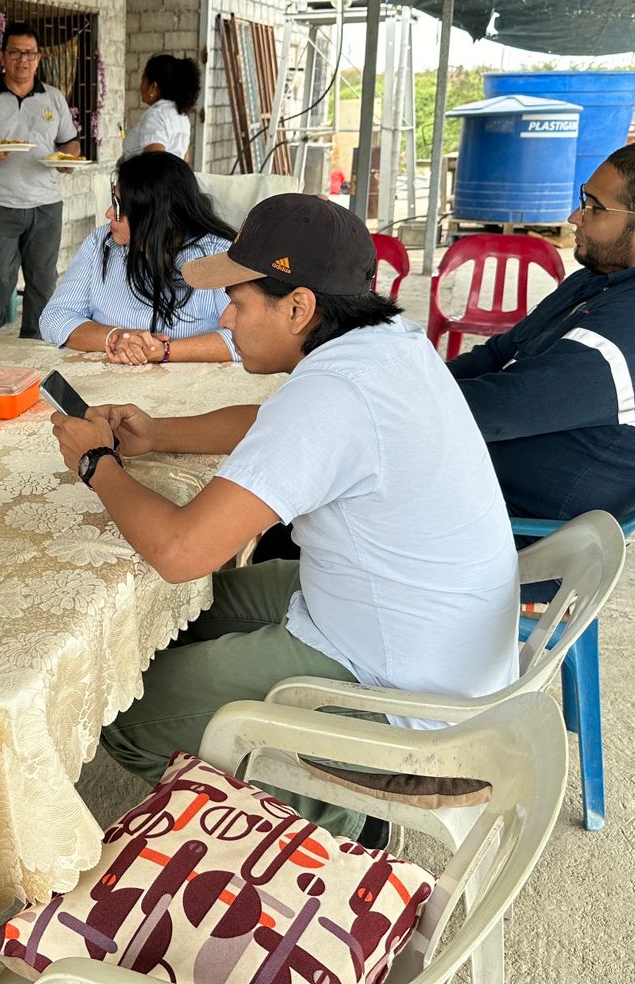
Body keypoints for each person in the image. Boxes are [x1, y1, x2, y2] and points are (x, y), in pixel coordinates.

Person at [50, 194, 518, 842]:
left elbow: (180, 550)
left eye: (238, 302)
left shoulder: (335, 393)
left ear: (298, 307)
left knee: (124, 709)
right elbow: (276, 423)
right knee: (174, 613)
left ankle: (338, 817)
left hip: (400, 696)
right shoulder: (387, 343)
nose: (227, 319)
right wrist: (157, 434)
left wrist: (96, 463)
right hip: (411, 630)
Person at [447, 140, 635, 578]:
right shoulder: (604, 278)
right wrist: (407, 383)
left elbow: (497, 411)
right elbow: (498, 354)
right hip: (481, 489)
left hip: (525, 538)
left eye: (595, 208)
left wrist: (385, 402)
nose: (574, 217)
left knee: (332, 505)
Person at [39, 151, 238, 364]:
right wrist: (117, 337)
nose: (108, 214)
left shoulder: (219, 255)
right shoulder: (100, 244)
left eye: (119, 207)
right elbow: (54, 317)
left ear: (155, 216)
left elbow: (249, 338)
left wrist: (163, 351)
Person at [0, 22, 82, 339]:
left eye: (30, 53)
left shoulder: (54, 98)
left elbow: (71, 143)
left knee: (42, 280)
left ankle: (34, 341)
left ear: (38, 58)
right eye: (15, 52)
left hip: (46, 206)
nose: (23, 60)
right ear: (2, 57)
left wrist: (67, 161)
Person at [120, 53, 200, 161]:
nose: (141, 85)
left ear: (153, 87)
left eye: (143, 79)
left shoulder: (156, 116)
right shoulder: (182, 117)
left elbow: (155, 163)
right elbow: (184, 160)